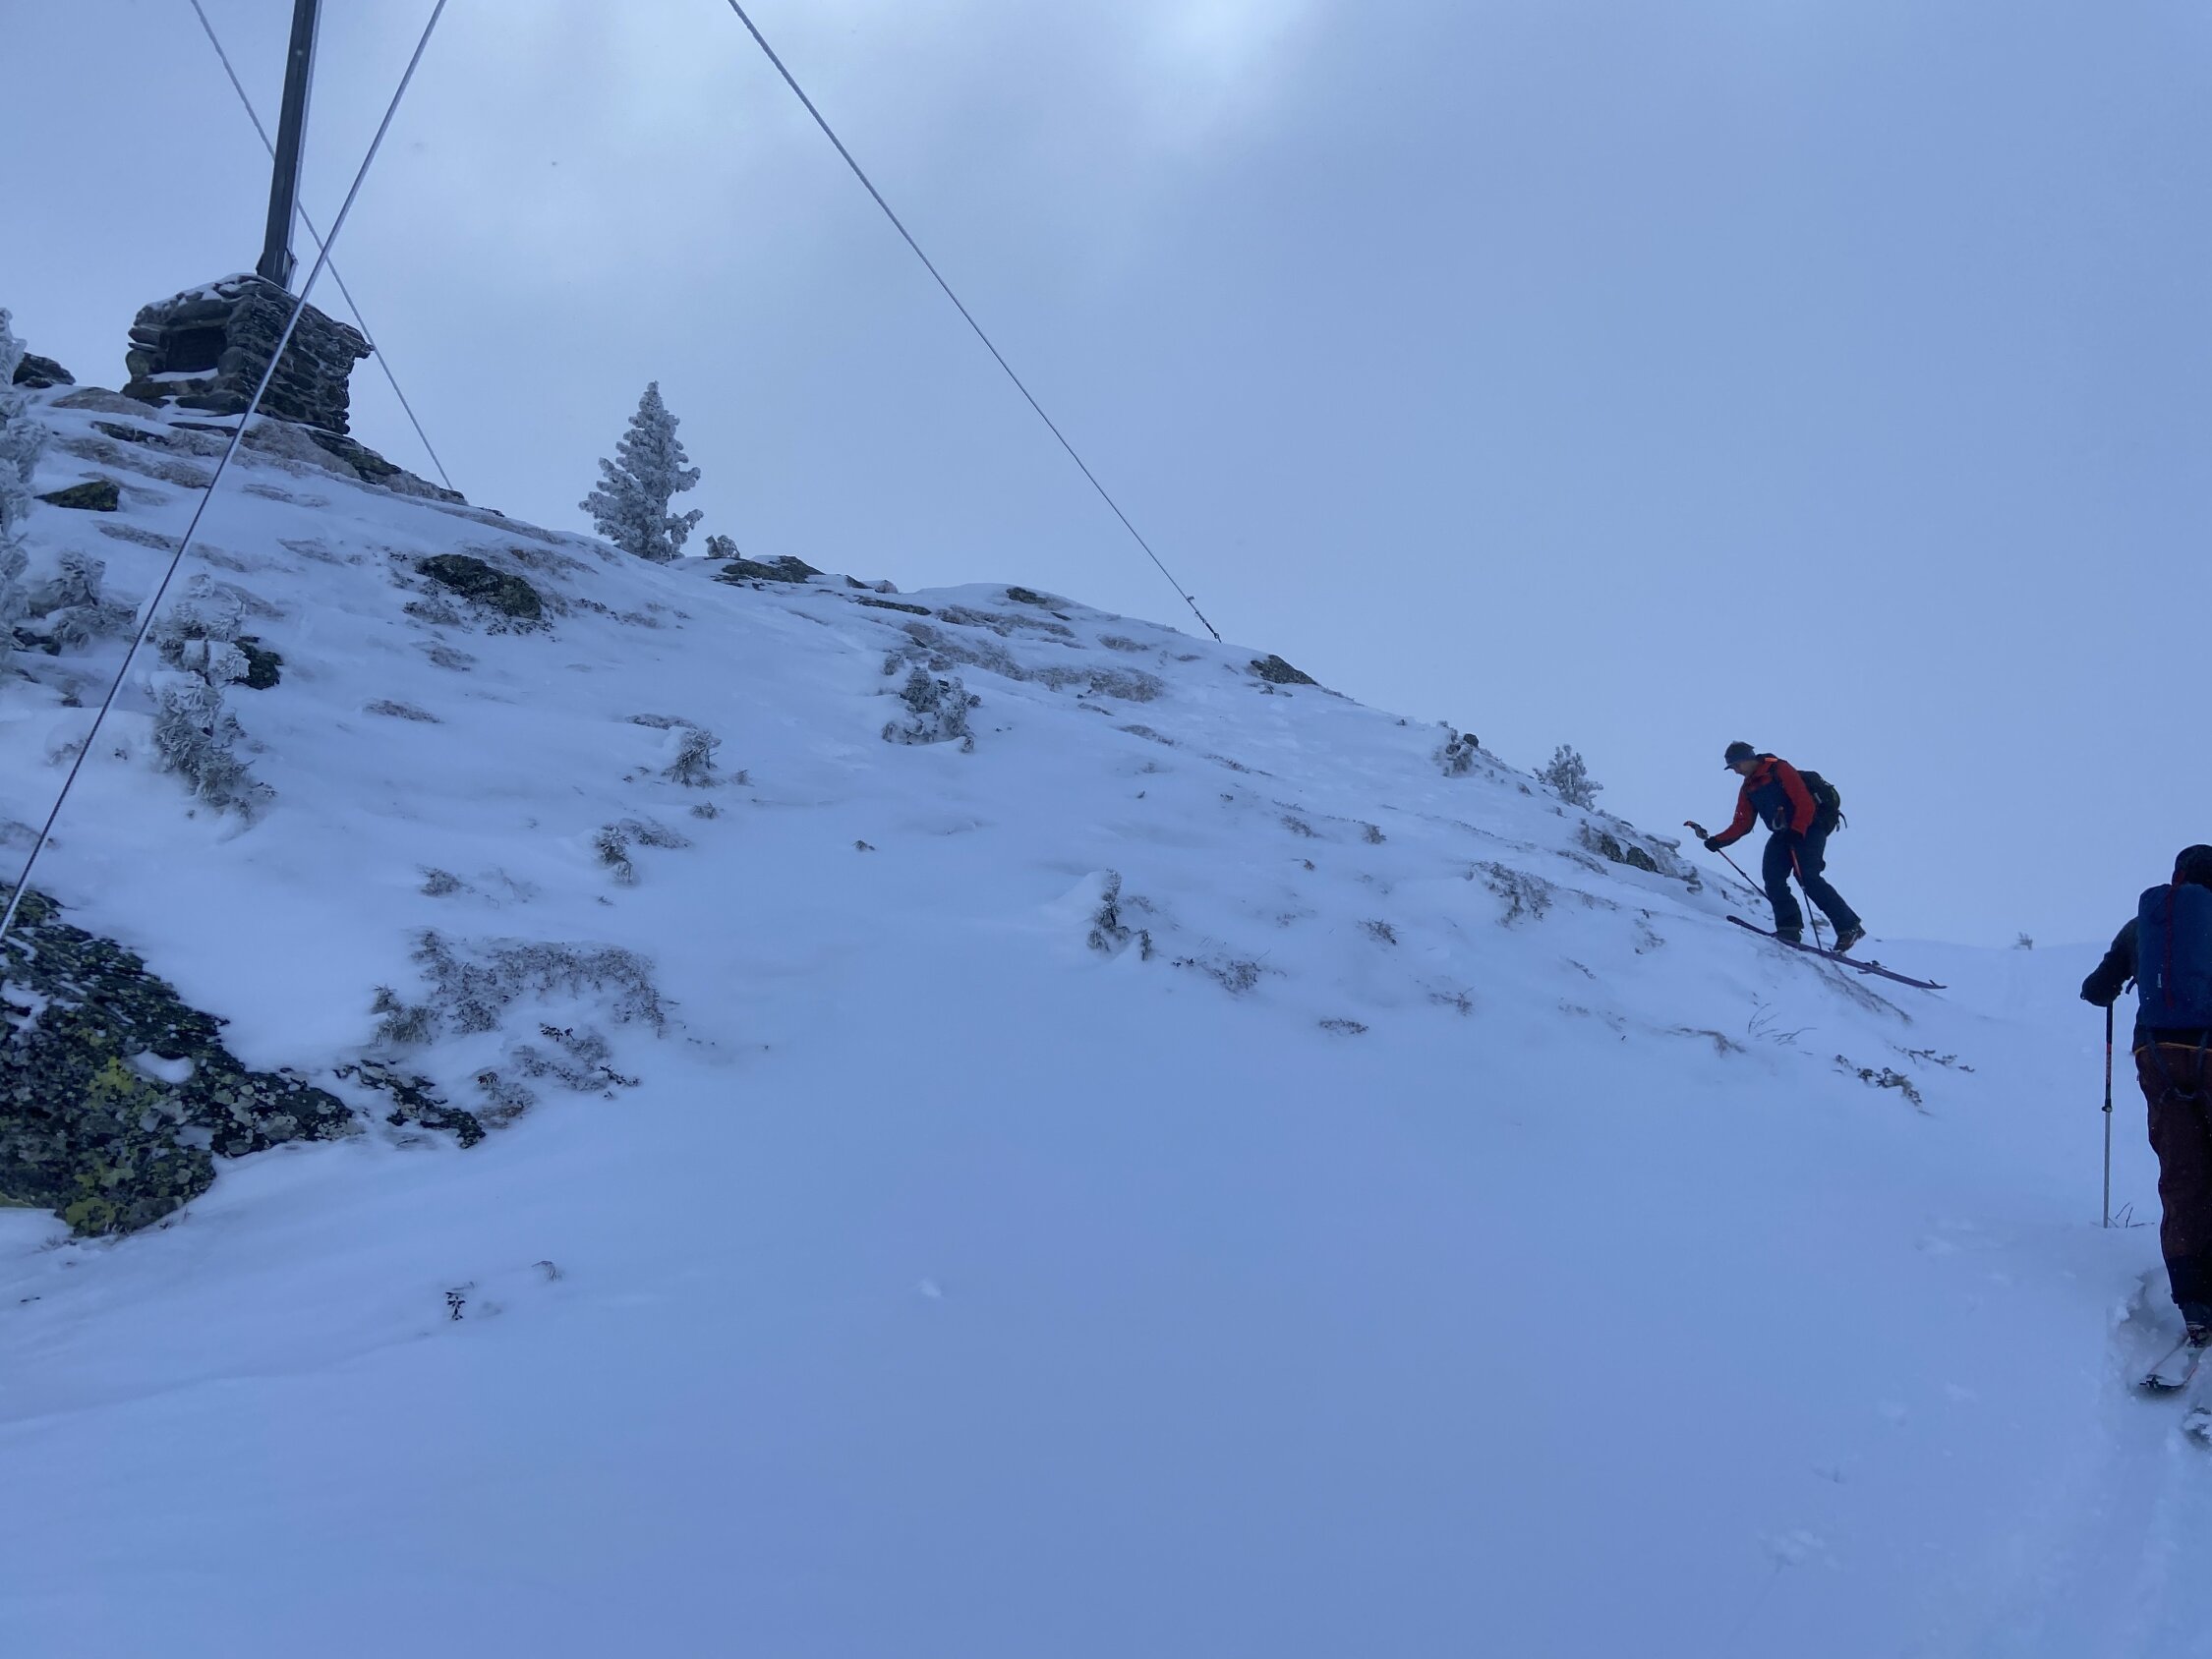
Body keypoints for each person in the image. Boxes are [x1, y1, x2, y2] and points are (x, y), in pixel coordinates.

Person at [2081, 844, 2212, 1350]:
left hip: (2157, 1056)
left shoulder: (2147, 925)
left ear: (2177, 878)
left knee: (2183, 1173)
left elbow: (2098, 989)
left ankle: (2195, 1301)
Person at [1704, 741, 1865, 953]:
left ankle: (1849, 927)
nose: (1736, 771)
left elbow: (1804, 802)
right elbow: (1742, 823)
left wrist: (1797, 830)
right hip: (1782, 833)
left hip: (1809, 827)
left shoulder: (1779, 769)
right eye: (1733, 767)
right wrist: (1718, 840)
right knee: (1772, 877)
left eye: (1736, 765)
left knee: (1807, 876)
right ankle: (1789, 929)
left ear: (1747, 758)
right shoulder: (1748, 788)